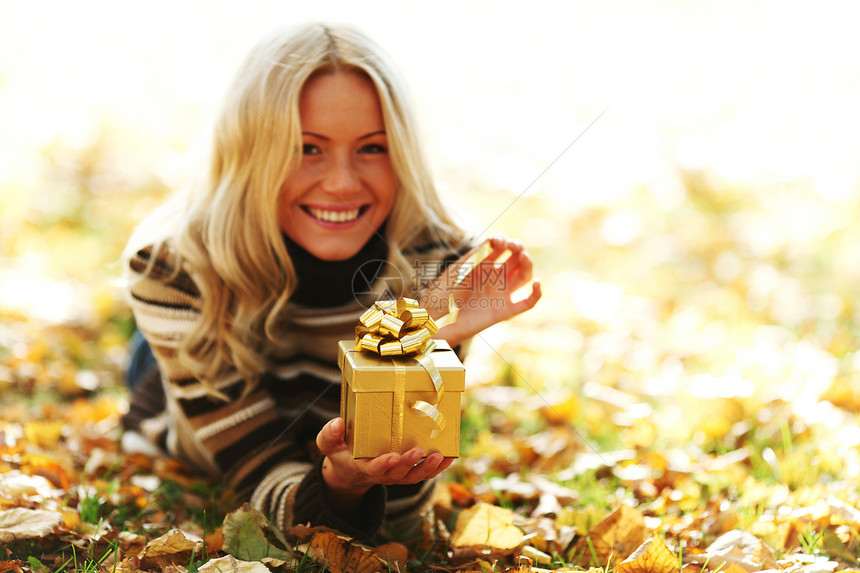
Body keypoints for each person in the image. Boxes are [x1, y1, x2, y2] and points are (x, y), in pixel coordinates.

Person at [121, 22, 541, 541]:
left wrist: (421, 336)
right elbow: (256, 472)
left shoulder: (441, 263)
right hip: (207, 341)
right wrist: (333, 488)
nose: (342, 182)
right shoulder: (169, 269)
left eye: (372, 148)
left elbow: (401, 518)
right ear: (251, 152)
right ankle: (150, 341)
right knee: (153, 353)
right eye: (307, 148)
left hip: (318, 380)